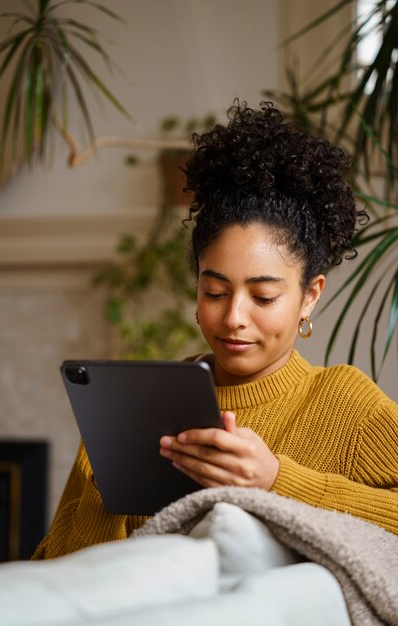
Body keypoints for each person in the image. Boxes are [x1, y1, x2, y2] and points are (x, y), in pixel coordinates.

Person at [32, 101, 398, 561]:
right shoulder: (131, 406)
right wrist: (111, 495)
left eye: (263, 297)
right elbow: (55, 571)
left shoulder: (344, 407)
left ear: (310, 295)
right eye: (215, 292)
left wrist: (276, 480)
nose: (233, 318)